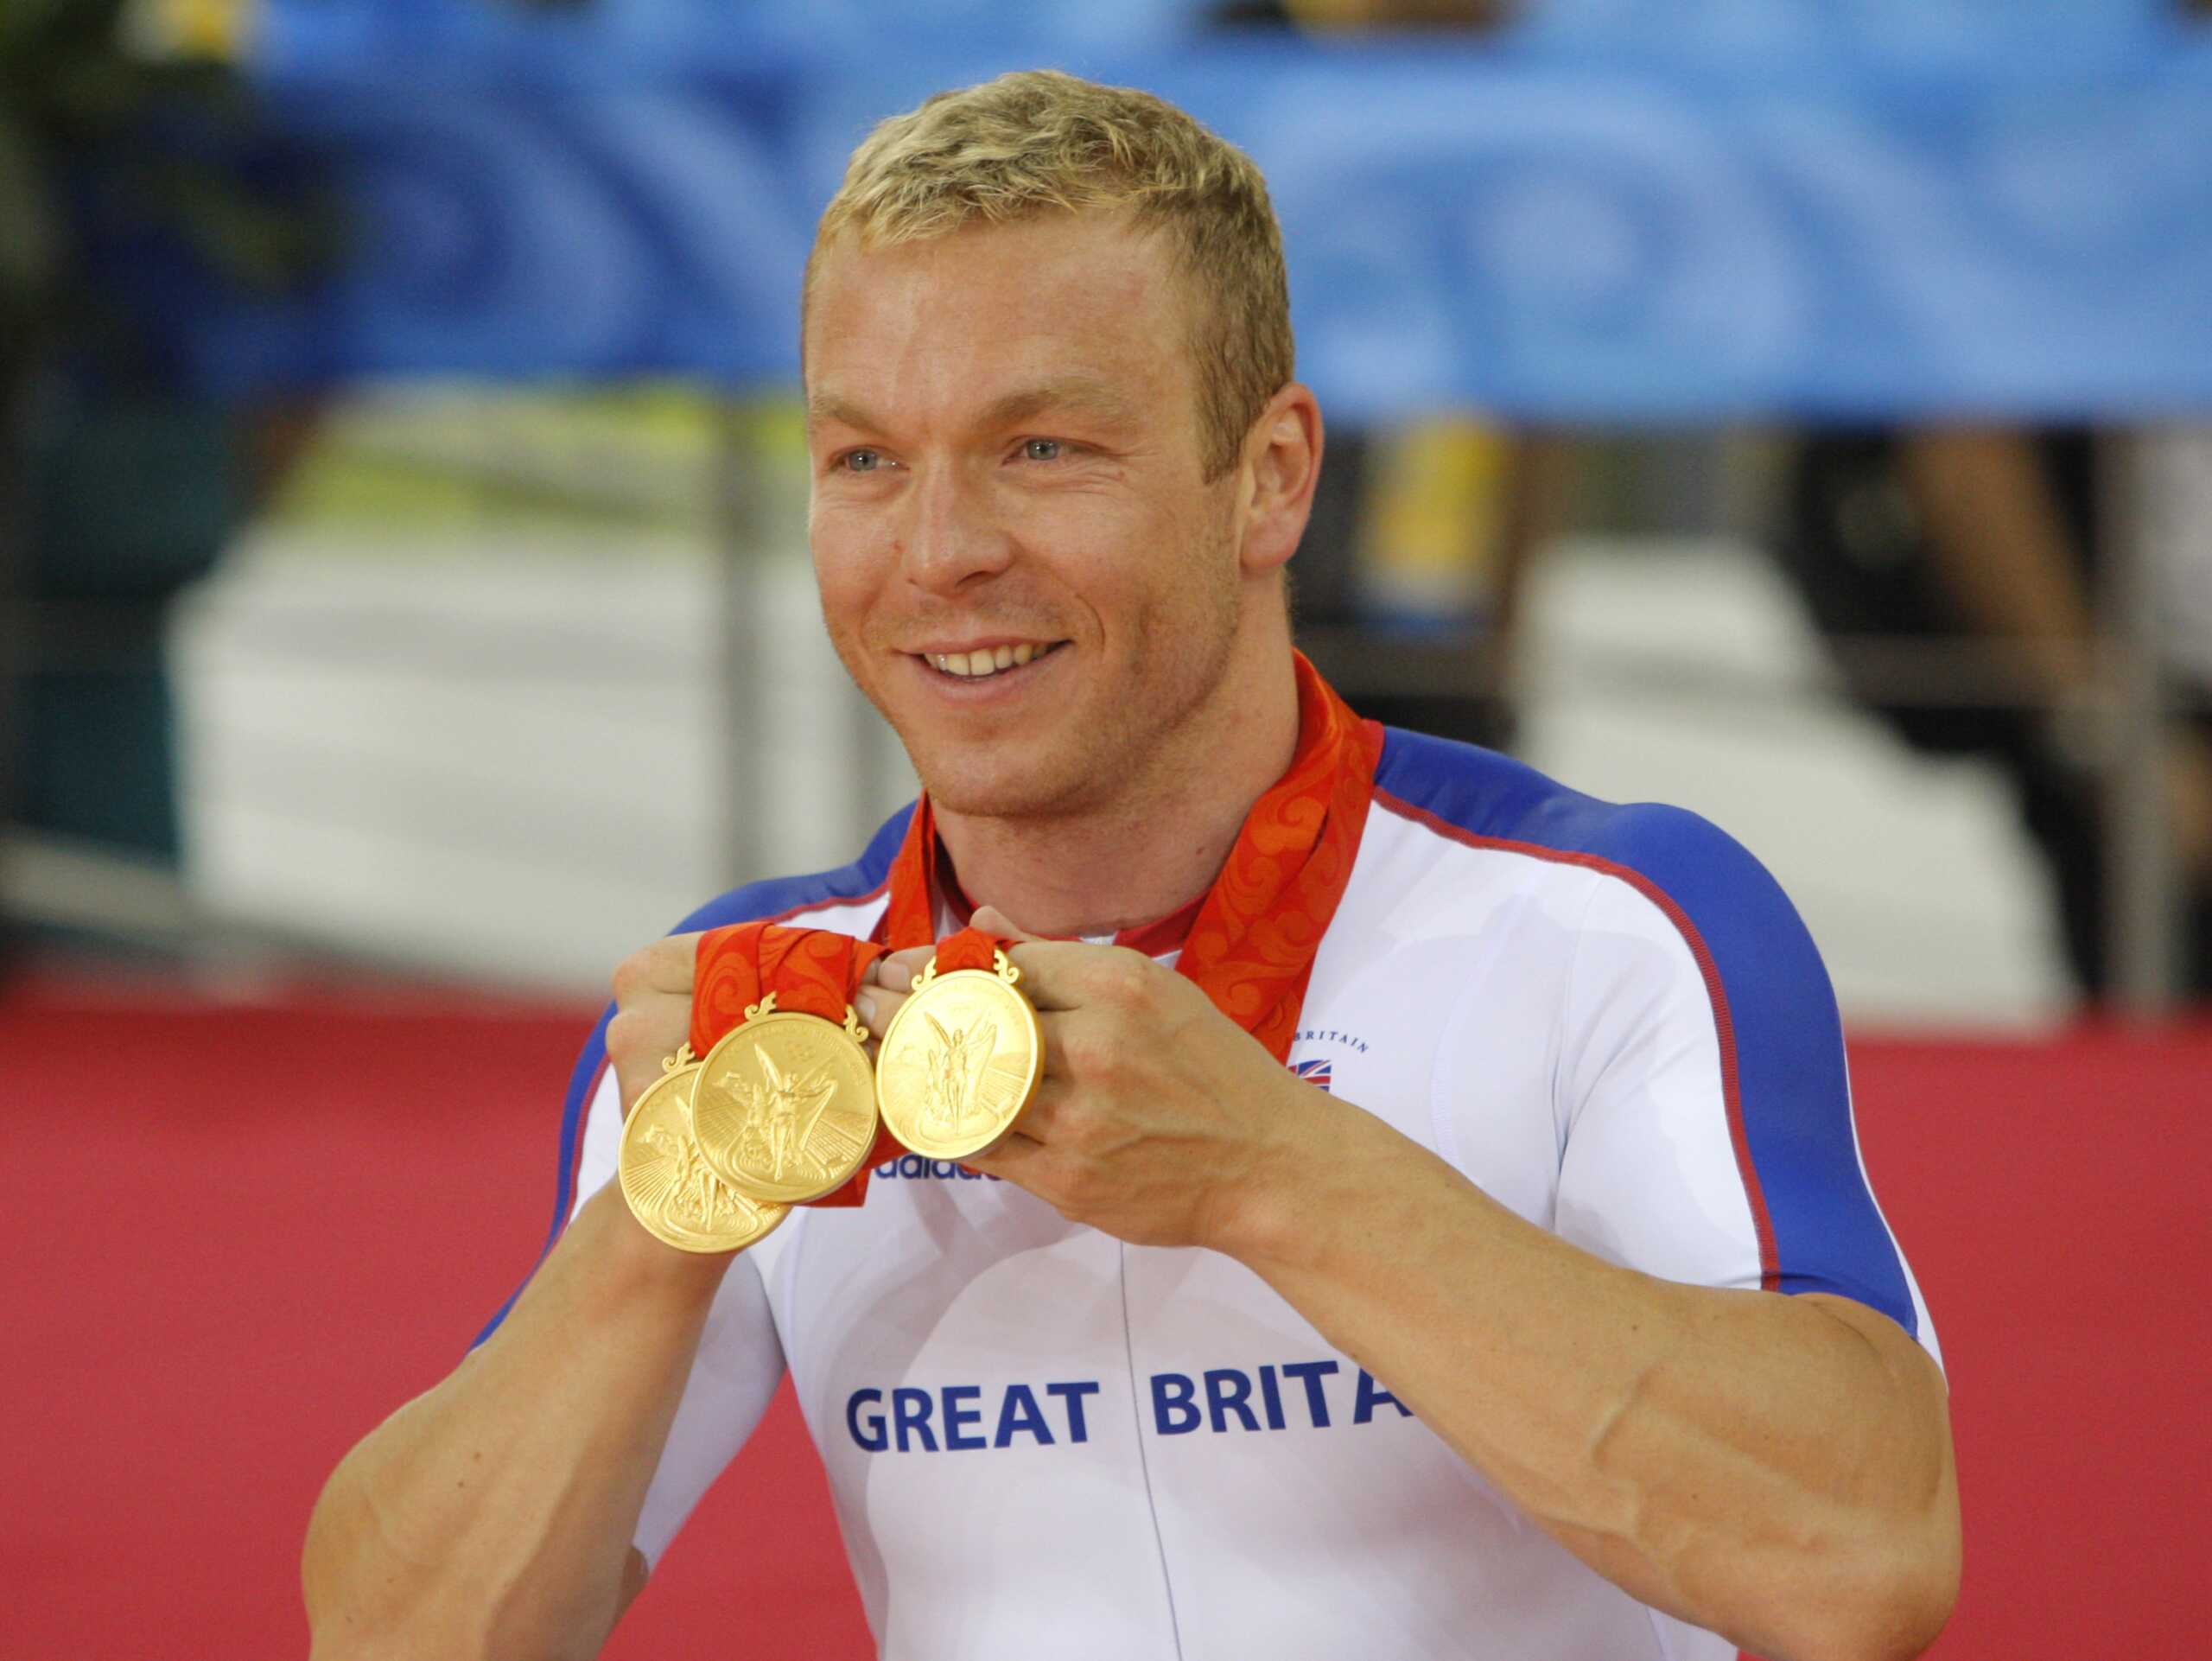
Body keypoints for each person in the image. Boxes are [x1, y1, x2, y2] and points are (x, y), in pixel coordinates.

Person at [302, 71, 1958, 1661]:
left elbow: (1863, 1553)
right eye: (866, 458)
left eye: (1043, 450)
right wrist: (660, 1227)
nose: (940, 553)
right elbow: (390, 1638)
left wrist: (1269, 1173)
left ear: (1274, 478)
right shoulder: (762, 1004)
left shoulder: (1604, 922)